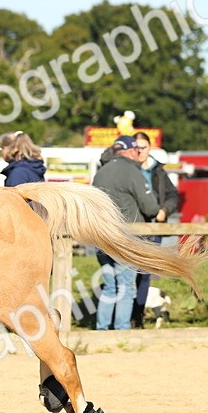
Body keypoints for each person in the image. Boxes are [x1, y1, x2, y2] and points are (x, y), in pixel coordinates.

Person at [91, 135, 161, 331]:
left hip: (101, 239)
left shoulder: (100, 173)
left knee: (110, 285)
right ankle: (122, 330)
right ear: (130, 151)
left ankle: (102, 328)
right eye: (136, 150)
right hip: (126, 238)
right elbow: (150, 208)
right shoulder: (132, 172)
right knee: (126, 286)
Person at [131, 131, 179, 327]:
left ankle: (138, 315)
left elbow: (173, 196)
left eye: (143, 147)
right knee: (129, 273)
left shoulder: (158, 172)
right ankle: (126, 317)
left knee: (144, 275)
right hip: (133, 227)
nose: (140, 151)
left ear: (150, 148)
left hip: (154, 229)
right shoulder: (129, 169)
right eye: (136, 147)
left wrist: (164, 210)